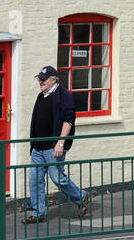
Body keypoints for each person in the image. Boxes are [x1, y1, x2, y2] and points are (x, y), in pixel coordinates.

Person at [25, 65, 90, 223]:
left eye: (44, 79)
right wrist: (33, 145)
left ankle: (81, 197)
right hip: (38, 148)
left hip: (53, 147)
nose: (41, 82)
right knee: (34, 180)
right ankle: (38, 213)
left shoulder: (63, 94)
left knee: (57, 178)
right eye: (39, 79)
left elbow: (69, 120)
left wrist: (60, 144)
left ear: (53, 80)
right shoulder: (42, 96)